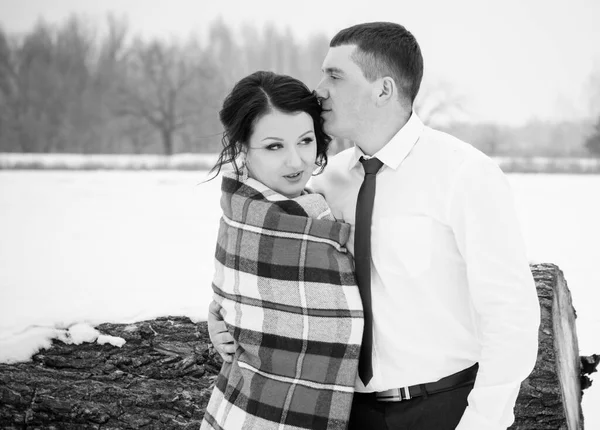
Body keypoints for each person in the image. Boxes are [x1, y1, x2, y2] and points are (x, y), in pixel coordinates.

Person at [209, 22, 541, 430]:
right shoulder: (326, 185)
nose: (319, 89)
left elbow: (511, 314)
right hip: (347, 412)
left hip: (442, 406)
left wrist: (483, 420)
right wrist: (220, 315)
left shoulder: (464, 175)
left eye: (334, 75)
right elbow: (265, 261)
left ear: (383, 90)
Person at [200, 70, 364, 430]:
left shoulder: (318, 199)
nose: (296, 161)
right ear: (242, 146)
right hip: (253, 414)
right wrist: (221, 316)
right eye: (274, 146)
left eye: (305, 141)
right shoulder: (247, 213)